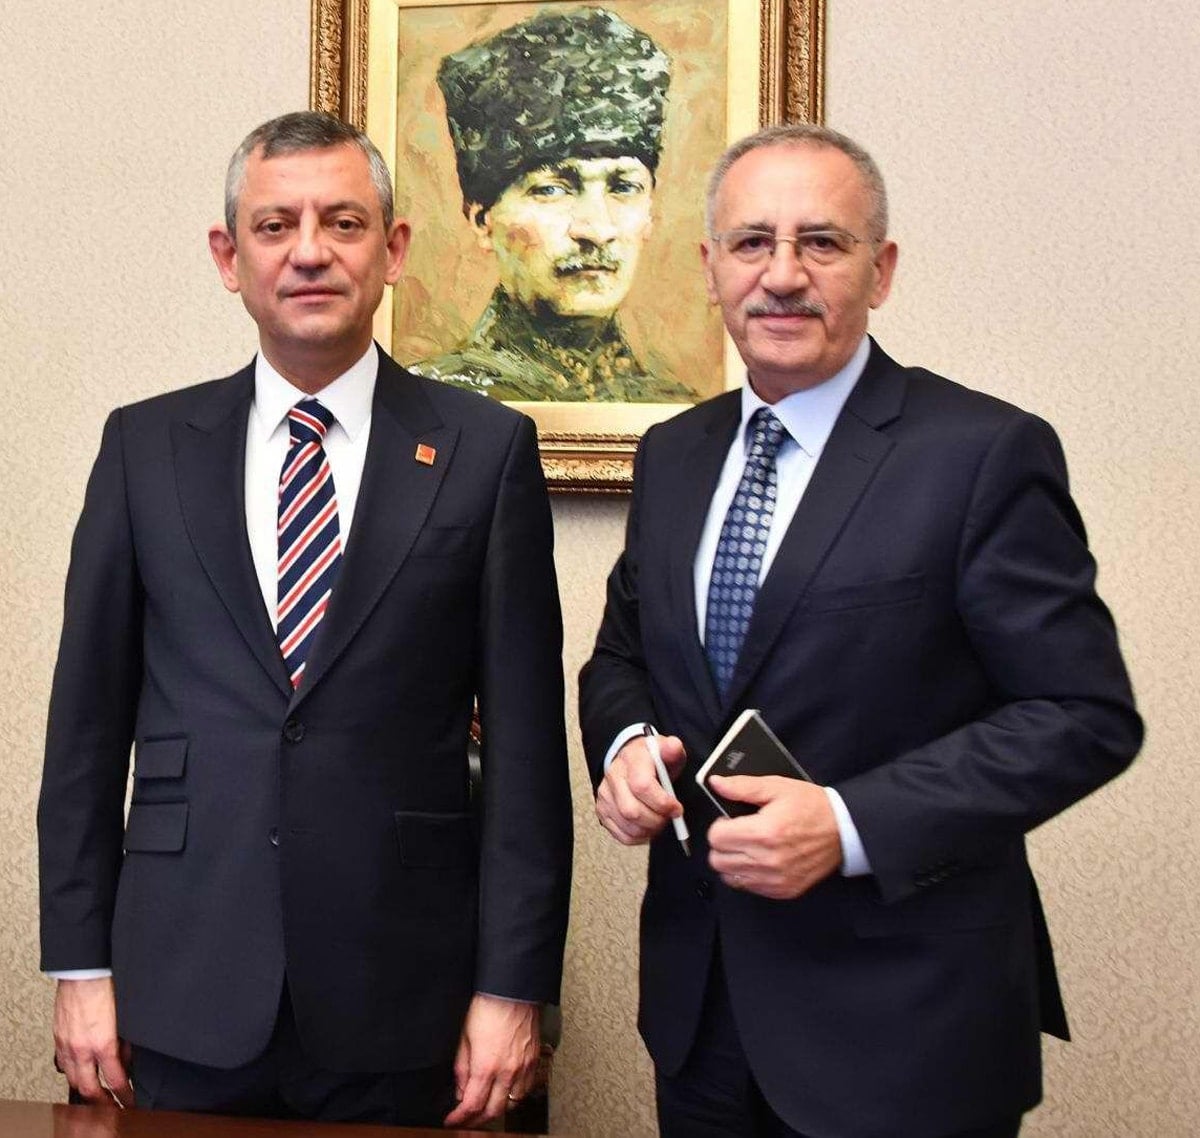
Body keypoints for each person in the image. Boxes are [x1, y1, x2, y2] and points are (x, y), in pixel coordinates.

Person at [579, 123, 1141, 1138]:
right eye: (753, 243)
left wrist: (847, 826)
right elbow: (624, 654)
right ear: (709, 268)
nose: (782, 275)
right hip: (703, 1020)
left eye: (822, 243)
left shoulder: (981, 453)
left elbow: (1081, 713)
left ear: (880, 271)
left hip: (906, 1030)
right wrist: (626, 745)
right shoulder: (674, 455)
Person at [38, 110, 572, 1129]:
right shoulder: (145, 448)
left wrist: (512, 990)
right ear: (228, 256)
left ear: (394, 249)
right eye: (275, 225)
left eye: (344, 222)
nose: (311, 252)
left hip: (402, 993)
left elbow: (527, 754)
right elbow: (85, 736)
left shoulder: (485, 451)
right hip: (179, 984)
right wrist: (78, 965)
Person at [408, 7, 694, 403]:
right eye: (552, 190)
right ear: (482, 219)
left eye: (623, 187)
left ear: (649, 214)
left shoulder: (672, 408)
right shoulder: (425, 403)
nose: (596, 230)